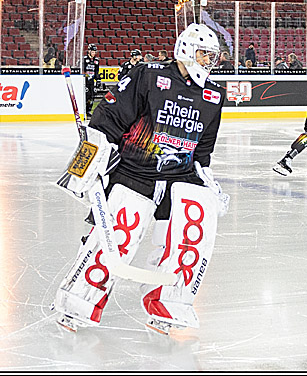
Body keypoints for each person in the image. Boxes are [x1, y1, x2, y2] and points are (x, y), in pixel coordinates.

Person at [53, 23, 227, 334]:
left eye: (213, 58)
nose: (208, 63)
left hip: (180, 179)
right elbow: (107, 120)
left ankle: (169, 304)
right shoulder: (148, 75)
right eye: (203, 55)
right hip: (134, 174)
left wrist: (208, 179)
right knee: (116, 238)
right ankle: (78, 302)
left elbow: (204, 147)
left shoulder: (214, 96)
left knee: (188, 239)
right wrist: (85, 167)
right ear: (185, 50)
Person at [83, 43, 101, 114]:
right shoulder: (84, 59)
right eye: (92, 52)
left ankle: (89, 110)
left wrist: (98, 79)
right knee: (86, 95)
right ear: (89, 51)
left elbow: (96, 71)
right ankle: (84, 110)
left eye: (94, 52)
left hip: (92, 81)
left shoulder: (96, 60)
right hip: (85, 81)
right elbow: (82, 70)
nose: (94, 53)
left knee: (92, 96)